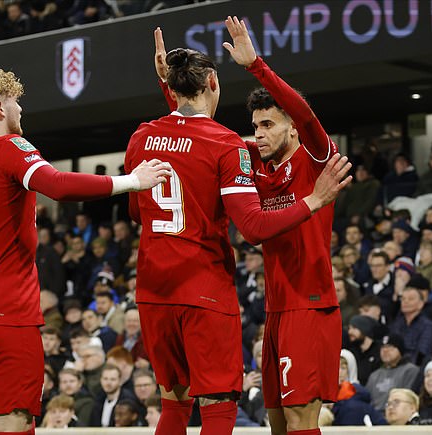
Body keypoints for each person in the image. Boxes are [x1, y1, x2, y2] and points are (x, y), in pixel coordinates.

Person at [0, 68, 171, 435]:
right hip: (7, 313)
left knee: (12, 421)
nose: (20, 110)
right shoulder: (9, 148)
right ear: (0, 107)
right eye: (16, 102)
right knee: (15, 423)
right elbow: (58, 185)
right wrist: (132, 181)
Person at [139, 22, 351, 435]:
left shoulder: (316, 158)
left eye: (269, 124)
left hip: (310, 306)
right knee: (276, 424)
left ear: (291, 126)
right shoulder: (252, 158)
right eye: (255, 126)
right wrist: (173, 88)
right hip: (274, 310)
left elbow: (306, 114)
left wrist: (256, 65)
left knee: (300, 422)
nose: (259, 133)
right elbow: (201, 134)